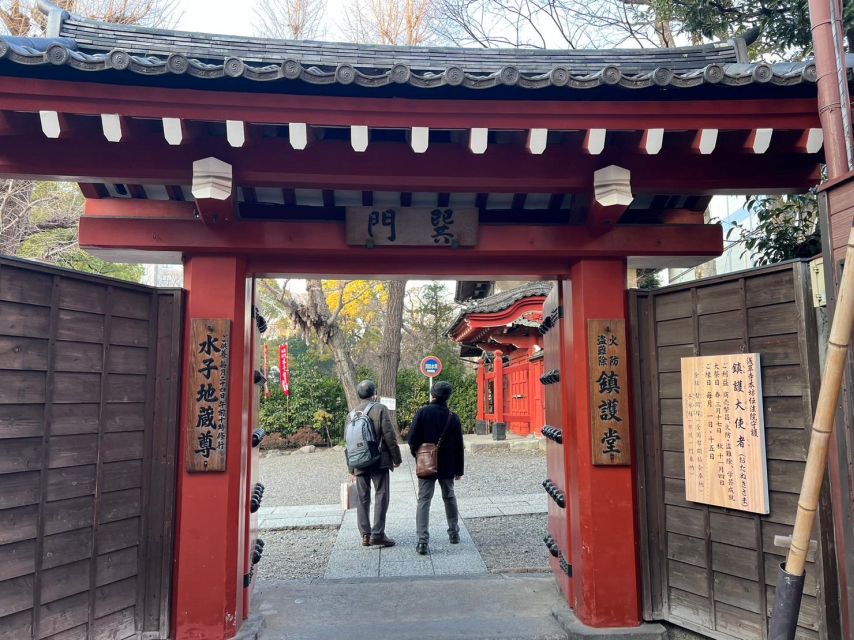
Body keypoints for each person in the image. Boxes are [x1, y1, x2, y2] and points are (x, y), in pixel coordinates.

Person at [407, 381, 464, 555]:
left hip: (427, 464)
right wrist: (459, 470)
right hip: (447, 465)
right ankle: (454, 533)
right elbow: (459, 446)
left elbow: (412, 439)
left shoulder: (422, 413)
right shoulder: (452, 417)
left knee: (424, 500)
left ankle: (422, 541)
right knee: (449, 496)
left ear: (432, 395)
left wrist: (419, 455)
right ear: (448, 397)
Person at [347, 379, 402, 547]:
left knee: (362, 498)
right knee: (381, 495)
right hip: (379, 459)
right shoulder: (380, 409)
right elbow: (389, 435)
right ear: (374, 393)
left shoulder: (351, 414)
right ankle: (378, 534)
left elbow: (348, 443)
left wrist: (351, 468)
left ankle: (365, 534)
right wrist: (396, 458)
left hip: (358, 461)